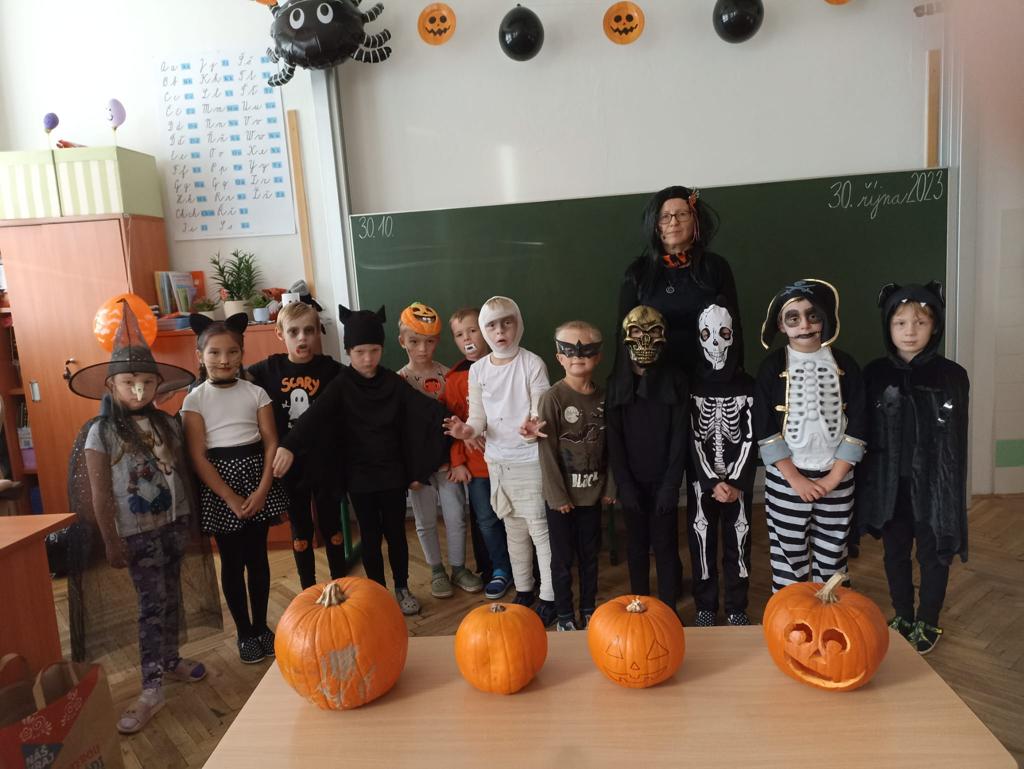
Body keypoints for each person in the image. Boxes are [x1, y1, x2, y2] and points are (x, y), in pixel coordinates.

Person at [66, 301, 220, 734]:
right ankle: (151, 687)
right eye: (129, 382)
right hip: (136, 535)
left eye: (147, 381)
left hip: (172, 526)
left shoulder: (167, 424)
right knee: (151, 607)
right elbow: (100, 494)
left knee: (171, 597)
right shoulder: (101, 432)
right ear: (111, 385)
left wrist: (188, 522)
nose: (138, 390)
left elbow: (181, 474)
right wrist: (110, 541)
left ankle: (169, 660)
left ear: (158, 384)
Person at [273, 305, 450, 616]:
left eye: (374, 351)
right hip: (359, 477)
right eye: (359, 352)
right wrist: (288, 446)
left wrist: (458, 425)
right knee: (370, 536)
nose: (367, 359)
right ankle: (377, 592)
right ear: (348, 352)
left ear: (382, 348)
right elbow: (313, 418)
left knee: (396, 534)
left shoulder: (393, 382)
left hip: (392, 474)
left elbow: (426, 411)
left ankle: (401, 587)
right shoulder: (341, 385)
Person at [856, 282, 969, 655]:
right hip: (891, 487)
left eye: (920, 323)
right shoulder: (875, 374)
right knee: (895, 552)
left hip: (935, 486)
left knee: (933, 554)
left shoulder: (950, 375)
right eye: (900, 323)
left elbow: (955, 441)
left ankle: (929, 618)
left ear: (934, 327)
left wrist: (949, 491)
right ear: (888, 326)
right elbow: (865, 433)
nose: (910, 331)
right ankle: (903, 614)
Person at [443, 296, 557, 627]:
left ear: (518, 324)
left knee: (539, 530)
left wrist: (533, 426)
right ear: (483, 330)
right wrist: (466, 431)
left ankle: (549, 596)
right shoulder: (478, 370)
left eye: (507, 322)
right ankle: (524, 589)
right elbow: (478, 419)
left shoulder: (532, 363)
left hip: (529, 461)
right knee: (513, 530)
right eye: (491, 325)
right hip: (497, 463)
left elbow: (539, 408)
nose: (500, 331)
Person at [182, 313, 290, 664]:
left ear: (242, 354)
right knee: (232, 561)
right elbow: (197, 456)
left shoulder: (256, 393)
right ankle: (244, 632)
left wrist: (262, 489)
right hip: (219, 484)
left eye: (232, 352)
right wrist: (229, 496)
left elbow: (271, 441)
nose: (224, 359)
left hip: (257, 477)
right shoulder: (194, 399)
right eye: (214, 352)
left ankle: (261, 626)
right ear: (200, 356)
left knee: (258, 558)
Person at [754, 279, 866, 592]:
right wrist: (794, 478)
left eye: (812, 315)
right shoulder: (771, 367)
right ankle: (791, 612)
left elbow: (859, 422)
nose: (804, 325)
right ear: (781, 324)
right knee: (788, 554)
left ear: (825, 318)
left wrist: (834, 478)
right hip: (786, 480)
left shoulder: (846, 365)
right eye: (794, 318)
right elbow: (764, 425)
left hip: (837, 478)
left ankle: (831, 610)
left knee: (834, 551)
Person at [247, 300, 345, 589]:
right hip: (289, 468)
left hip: (326, 463)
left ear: (317, 332)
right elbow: (233, 378)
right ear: (280, 334)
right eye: (294, 332)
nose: (302, 338)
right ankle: (308, 589)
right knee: (300, 529)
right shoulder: (269, 368)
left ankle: (341, 584)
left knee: (332, 526)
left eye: (309, 331)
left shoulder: (331, 370)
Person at [606, 305, 688, 615]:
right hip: (632, 480)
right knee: (636, 545)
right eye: (637, 332)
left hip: (663, 478)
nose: (644, 340)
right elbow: (614, 441)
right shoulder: (616, 384)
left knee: (665, 543)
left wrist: (670, 485)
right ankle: (638, 603)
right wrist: (624, 484)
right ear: (626, 338)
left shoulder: (676, 381)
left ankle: (667, 608)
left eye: (652, 332)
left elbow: (680, 436)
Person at [397, 301, 482, 597]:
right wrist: (408, 471)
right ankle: (436, 570)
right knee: (424, 520)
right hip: (418, 468)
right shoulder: (398, 381)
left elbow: (459, 420)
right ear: (402, 341)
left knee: (456, 515)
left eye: (430, 341)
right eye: (414, 342)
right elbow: (399, 433)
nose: (422, 349)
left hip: (448, 463)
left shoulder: (450, 376)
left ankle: (458, 568)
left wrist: (457, 459)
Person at [537, 320, 615, 631]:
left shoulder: (606, 398)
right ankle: (565, 614)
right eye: (569, 350)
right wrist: (557, 496)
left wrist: (610, 486)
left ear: (598, 356)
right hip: (562, 500)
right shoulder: (552, 398)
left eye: (585, 349)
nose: (577, 355)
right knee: (562, 560)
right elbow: (546, 451)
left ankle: (588, 608)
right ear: (559, 357)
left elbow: (614, 447)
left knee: (590, 556)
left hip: (592, 495)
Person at [619, 185, 741, 378]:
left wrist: (731, 379)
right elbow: (623, 334)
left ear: (695, 220)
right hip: (655, 381)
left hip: (707, 377)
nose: (673, 222)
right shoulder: (639, 272)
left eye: (682, 214)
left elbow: (734, 328)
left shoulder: (715, 267)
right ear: (655, 225)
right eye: (665, 216)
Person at [687, 298, 756, 626]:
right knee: (701, 540)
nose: (715, 343)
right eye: (707, 335)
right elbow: (692, 437)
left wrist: (737, 482)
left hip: (738, 482)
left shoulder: (748, 385)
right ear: (699, 338)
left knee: (739, 541)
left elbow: (750, 436)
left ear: (733, 336)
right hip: (702, 482)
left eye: (723, 334)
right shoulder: (692, 385)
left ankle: (736, 606)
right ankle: (705, 606)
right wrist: (711, 481)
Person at [441, 306, 514, 599]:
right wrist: (457, 460)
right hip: (477, 466)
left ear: (485, 331)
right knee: (486, 519)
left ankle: (525, 567)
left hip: (510, 461)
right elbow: (451, 425)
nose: (467, 338)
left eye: (472, 331)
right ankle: (500, 568)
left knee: (515, 516)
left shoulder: (510, 365)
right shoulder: (454, 379)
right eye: (460, 334)